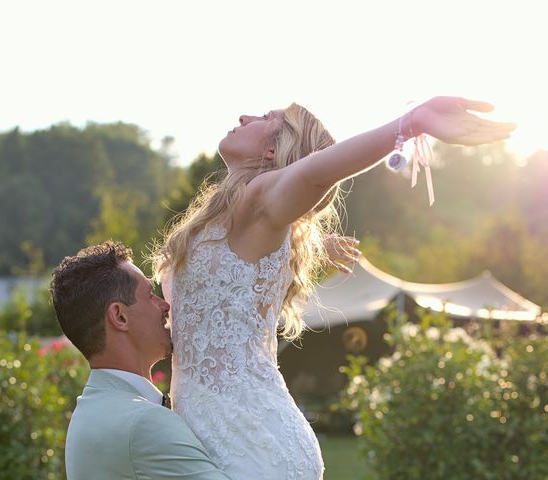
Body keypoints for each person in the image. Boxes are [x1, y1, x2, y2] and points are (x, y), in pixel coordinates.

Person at [152, 96, 515, 479]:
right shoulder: (236, 221)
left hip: (252, 445)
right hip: (224, 434)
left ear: (275, 149)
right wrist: (309, 246)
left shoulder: (257, 198)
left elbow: (314, 176)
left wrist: (410, 123)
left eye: (265, 118)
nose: (244, 116)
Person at [50, 241, 231, 480]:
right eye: (150, 295)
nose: (165, 305)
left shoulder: (87, 414)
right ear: (119, 316)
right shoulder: (143, 423)